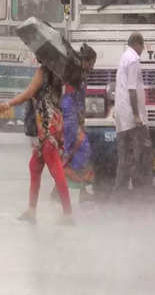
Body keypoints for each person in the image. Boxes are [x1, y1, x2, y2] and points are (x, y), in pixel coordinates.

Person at [0, 63, 72, 224]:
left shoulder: (43, 71)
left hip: (47, 127)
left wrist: (9, 103)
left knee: (55, 168)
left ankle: (67, 213)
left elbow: (29, 93)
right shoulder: (59, 73)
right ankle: (32, 210)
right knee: (35, 166)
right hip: (53, 123)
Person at [113, 32, 152, 198]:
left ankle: (120, 192)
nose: (142, 50)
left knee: (124, 156)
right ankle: (140, 190)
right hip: (131, 117)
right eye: (142, 46)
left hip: (122, 115)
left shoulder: (124, 57)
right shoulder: (134, 59)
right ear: (137, 44)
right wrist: (137, 116)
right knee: (142, 152)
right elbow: (132, 89)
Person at [55, 44, 97, 201]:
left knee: (72, 156)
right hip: (70, 119)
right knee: (77, 153)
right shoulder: (77, 76)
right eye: (92, 63)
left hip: (73, 118)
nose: (93, 67)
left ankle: (75, 191)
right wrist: (78, 118)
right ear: (86, 61)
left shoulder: (80, 75)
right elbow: (71, 100)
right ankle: (74, 192)